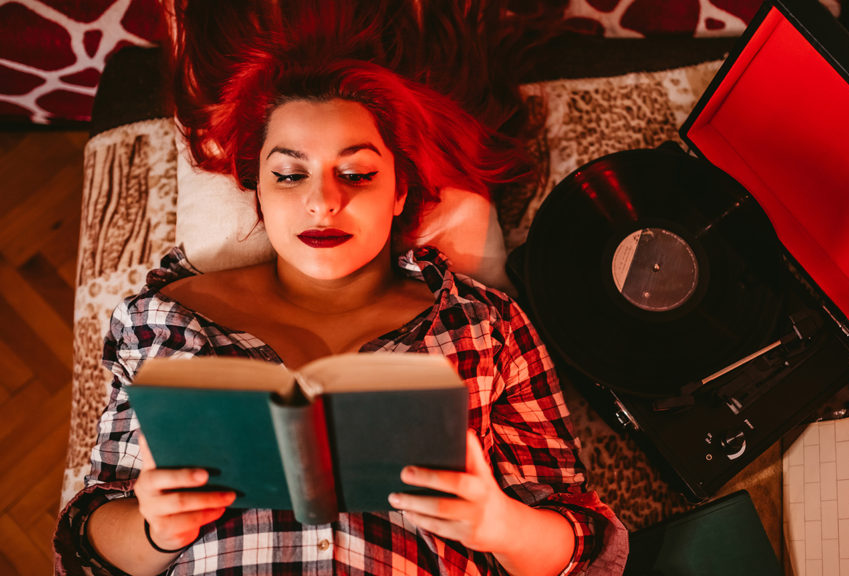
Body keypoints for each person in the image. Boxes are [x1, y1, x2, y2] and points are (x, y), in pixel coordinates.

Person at [53, 35, 627, 576]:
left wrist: (499, 525)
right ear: (257, 188)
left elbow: (585, 541)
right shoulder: (163, 320)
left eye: (356, 173)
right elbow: (88, 539)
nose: (323, 201)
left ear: (400, 191)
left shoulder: (484, 323)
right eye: (289, 174)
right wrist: (155, 529)